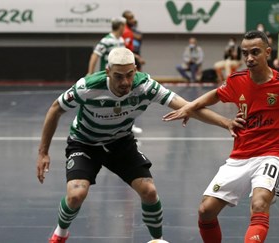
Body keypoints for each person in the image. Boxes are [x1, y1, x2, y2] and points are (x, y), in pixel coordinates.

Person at [37, 47, 239, 243]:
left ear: (135, 70)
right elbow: (55, 109)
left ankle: (157, 240)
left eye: (129, 75)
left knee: (149, 191)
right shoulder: (87, 87)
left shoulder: (145, 86)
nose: (125, 82)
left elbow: (189, 107)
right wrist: (43, 152)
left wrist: (226, 123)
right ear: (108, 72)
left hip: (120, 142)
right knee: (76, 195)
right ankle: (60, 233)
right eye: (118, 76)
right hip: (85, 142)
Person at [163, 31, 279, 243]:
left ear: (268, 53)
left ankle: (268, 189)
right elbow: (216, 95)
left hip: (270, 154)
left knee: (259, 203)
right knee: (205, 210)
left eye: (255, 52)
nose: (249, 58)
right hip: (240, 156)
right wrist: (190, 106)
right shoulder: (237, 80)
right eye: (245, 53)